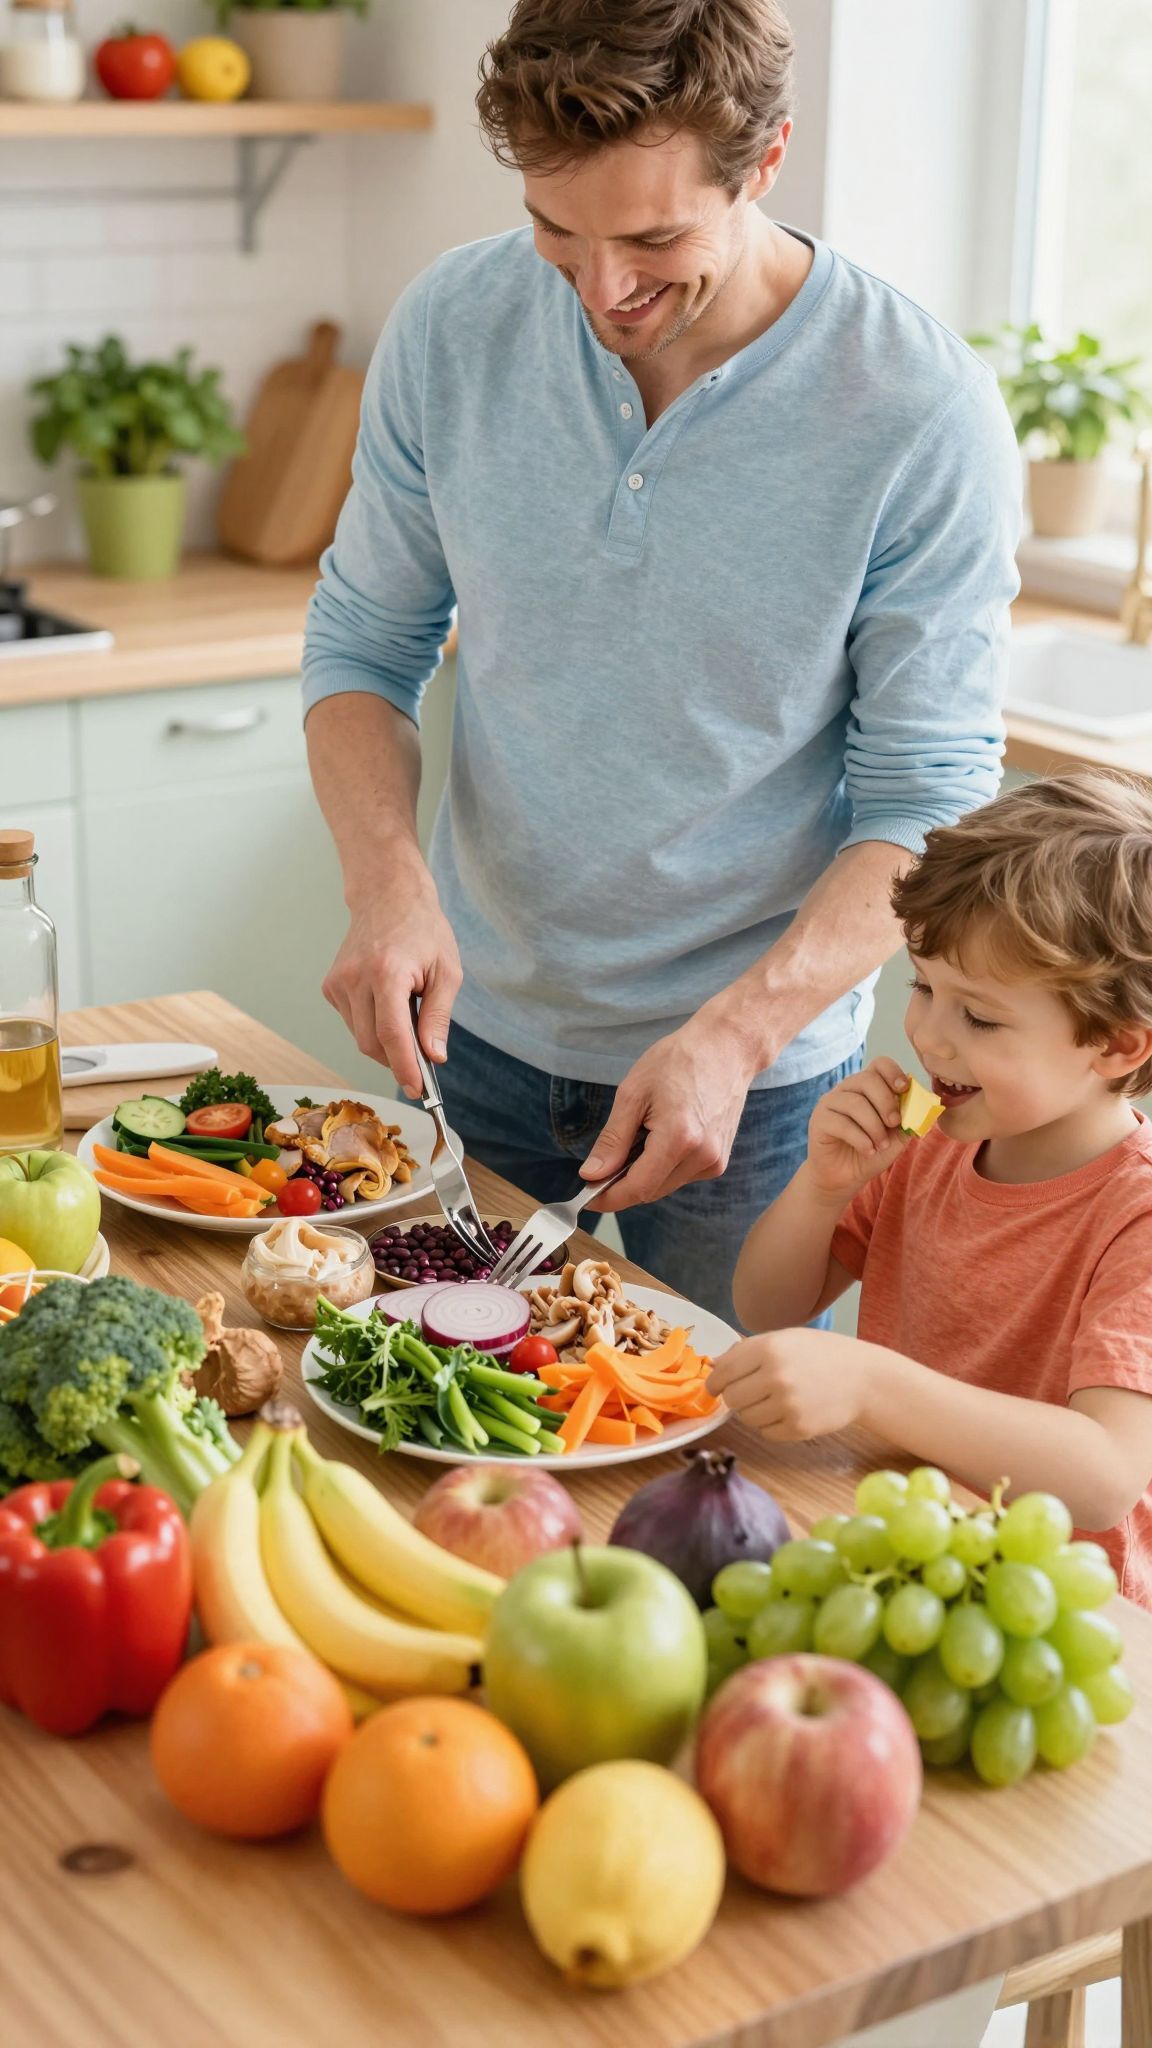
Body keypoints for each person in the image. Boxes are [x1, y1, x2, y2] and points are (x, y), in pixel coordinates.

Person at [301, 0, 1021, 1321]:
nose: (601, 290)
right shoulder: (455, 328)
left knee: (724, 1484)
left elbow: (928, 805)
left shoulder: (916, 408)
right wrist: (388, 884)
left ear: (768, 160)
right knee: (443, 1444)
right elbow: (363, 644)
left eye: (652, 239)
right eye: (555, 233)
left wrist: (741, 1031)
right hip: (475, 1043)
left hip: (750, 1093)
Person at [711, 770, 1152, 1605]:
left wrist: (872, 1382)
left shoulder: (1138, 1214)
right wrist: (821, 1186)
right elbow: (767, 1304)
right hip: (901, 1552)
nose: (927, 1037)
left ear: (1118, 1046)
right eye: (924, 988)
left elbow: (1105, 1475)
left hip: (1054, 1608)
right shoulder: (937, 1140)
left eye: (979, 1017)